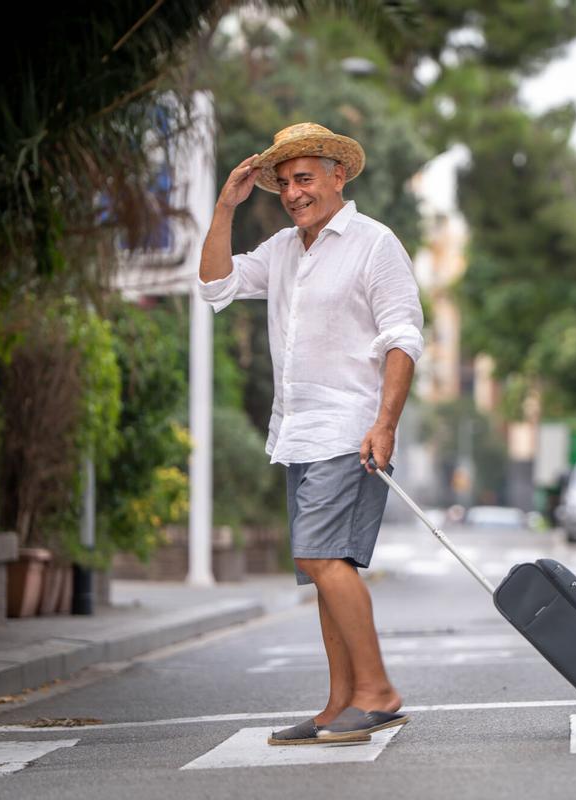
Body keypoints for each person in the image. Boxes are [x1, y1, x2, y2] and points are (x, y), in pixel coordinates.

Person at [198, 122, 424, 745]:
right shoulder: (282, 250)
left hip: (349, 431)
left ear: (336, 177)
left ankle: (377, 691)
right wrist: (225, 206)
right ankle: (339, 704)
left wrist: (385, 424)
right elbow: (214, 284)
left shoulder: (374, 244)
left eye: (305, 179)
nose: (295, 193)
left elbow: (402, 337)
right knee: (327, 567)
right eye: (285, 184)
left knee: (323, 558)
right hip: (296, 431)